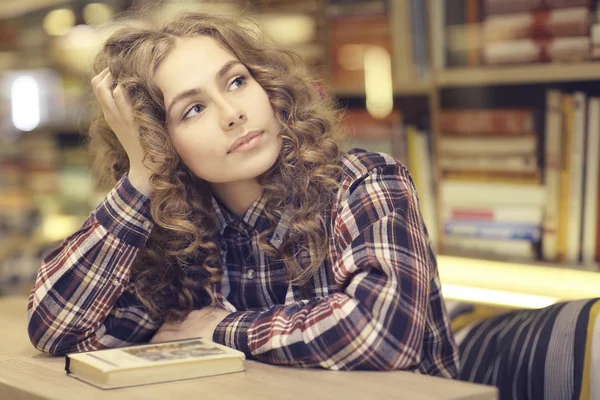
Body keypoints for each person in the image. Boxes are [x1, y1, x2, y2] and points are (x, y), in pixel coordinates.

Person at [26, 11, 458, 375]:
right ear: (159, 140)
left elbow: (382, 334)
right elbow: (57, 330)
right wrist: (142, 175)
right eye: (193, 109)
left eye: (235, 82)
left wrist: (220, 329)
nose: (233, 113)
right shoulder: (179, 236)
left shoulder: (365, 181)